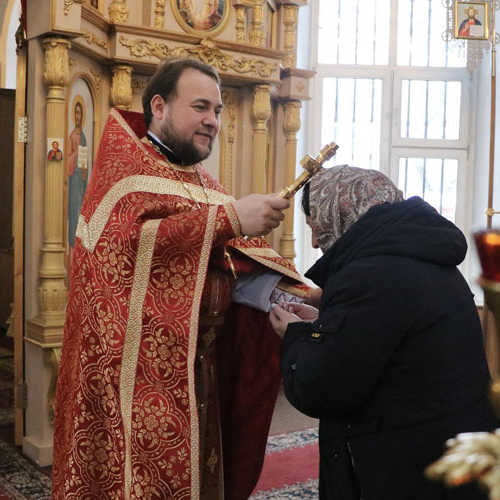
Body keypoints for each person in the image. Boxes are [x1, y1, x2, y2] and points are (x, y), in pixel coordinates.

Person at [52, 58, 309, 500]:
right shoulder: (124, 177)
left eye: (218, 110)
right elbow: (123, 250)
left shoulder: (203, 183)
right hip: (134, 384)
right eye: (200, 107)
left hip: (201, 370)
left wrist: (284, 294)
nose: (212, 121)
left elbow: (230, 262)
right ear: (159, 107)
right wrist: (230, 217)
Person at [269, 165, 499, 500]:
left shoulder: (369, 274)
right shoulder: (419, 253)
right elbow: (383, 336)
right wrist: (326, 321)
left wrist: (297, 335)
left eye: (315, 225)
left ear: (340, 212)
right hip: (451, 448)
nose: (317, 240)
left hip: (408, 464)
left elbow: (319, 387)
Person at [66, 99, 89, 250]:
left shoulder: (84, 136)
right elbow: (68, 154)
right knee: (73, 207)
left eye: (80, 113)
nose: (78, 116)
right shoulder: (72, 135)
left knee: (80, 206)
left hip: (81, 179)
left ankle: (79, 240)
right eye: (76, 113)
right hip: (73, 178)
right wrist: (74, 156)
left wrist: (83, 170)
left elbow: (86, 158)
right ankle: (72, 240)